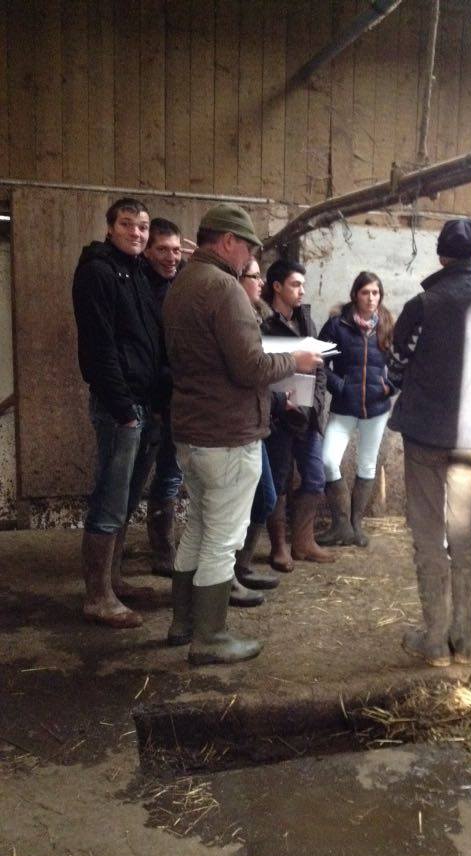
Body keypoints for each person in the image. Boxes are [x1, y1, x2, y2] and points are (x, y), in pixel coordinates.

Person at [162, 204, 321, 665]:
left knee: (198, 527)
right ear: (228, 241)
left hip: (192, 429)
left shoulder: (182, 283)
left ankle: (183, 623)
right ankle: (210, 637)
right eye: (248, 247)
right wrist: (296, 361)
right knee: (222, 537)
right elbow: (250, 367)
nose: (251, 256)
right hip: (226, 433)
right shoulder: (223, 288)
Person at [388, 218, 471, 667]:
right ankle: (464, 642)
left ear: (442, 257)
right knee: (464, 538)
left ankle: (434, 641)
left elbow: (396, 364)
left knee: (429, 536)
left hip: (427, 435)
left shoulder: (423, 305)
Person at [73, 196, 165, 629]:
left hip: (143, 401)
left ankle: (113, 581)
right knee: (110, 498)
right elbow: (100, 346)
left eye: (142, 226)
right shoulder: (98, 272)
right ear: (110, 228)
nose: (136, 232)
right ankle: (97, 597)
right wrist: (123, 408)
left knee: (126, 497)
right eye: (127, 224)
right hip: (120, 405)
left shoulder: (137, 273)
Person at [261, 259, 334, 568]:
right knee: (278, 481)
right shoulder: (264, 322)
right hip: (278, 417)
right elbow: (259, 370)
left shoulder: (306, 320)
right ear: (277, 286)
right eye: (295, 284)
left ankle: (304, 542)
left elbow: (320, 369)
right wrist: (278, 405)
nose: (302, 290)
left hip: (307, 416)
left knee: (316, 477)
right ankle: (279, 546)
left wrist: (315, 405)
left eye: (303, 284)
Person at [317, 271, 395, 547]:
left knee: (367, 463)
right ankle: (341, 525)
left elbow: (401, 363)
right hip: (344, 405)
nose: (371, 298)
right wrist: (339, 386)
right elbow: (319, 362)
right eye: (365, 292)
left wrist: (389, 387)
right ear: (355, 295)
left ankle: (355, 525)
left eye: (375, 293)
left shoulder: (387, 324)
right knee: (327, 460)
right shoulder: (337, 325)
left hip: (376, 408)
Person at [229, 258, 283, 602]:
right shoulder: (235, 317)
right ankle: (228, 577)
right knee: (245, 504)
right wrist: (292, 363)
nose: (260, 281)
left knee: (264, 498)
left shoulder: (257, 316)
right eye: (254, 275)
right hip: (237, 424)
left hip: (255, 420)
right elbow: (250, 369)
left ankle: (240, 568)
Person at [141, 218, 184, 576]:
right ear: (147, 250)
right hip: (147, 398)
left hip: (178, 398)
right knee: (132, 478)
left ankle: (163, 549)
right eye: (163, 250)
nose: (171, 257)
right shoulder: (139, 287)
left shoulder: (182, 284)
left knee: (171, 472)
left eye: (176, 250)